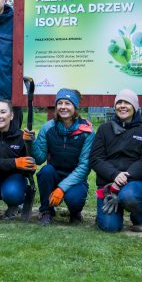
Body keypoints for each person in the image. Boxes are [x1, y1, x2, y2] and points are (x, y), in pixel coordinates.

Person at [89, 89, 142, 233]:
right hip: (108, 184)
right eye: (119, 102)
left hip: (134, 182)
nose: (122, 106)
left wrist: (126, 175)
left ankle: (139, 219)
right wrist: (115, 175)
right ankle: (104, 215)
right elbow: (95, 158)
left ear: (135, 107)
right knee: (109, 227)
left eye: (127, 102)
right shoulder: (104, 129)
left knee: (129, 196)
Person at [31, 88, 94, 225]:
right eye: (60, 103)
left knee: (75, 199)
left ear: (75, 107)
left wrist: (61, 189)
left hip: (76, 177)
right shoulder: (48, 128)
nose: (63, 107)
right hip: (54, 173)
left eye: (67, 103)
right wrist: (30, 143)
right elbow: (40, 159)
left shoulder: (87, 132)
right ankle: (47, 211)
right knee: (45, 171)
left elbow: (84, 166)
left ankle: (75, 212)